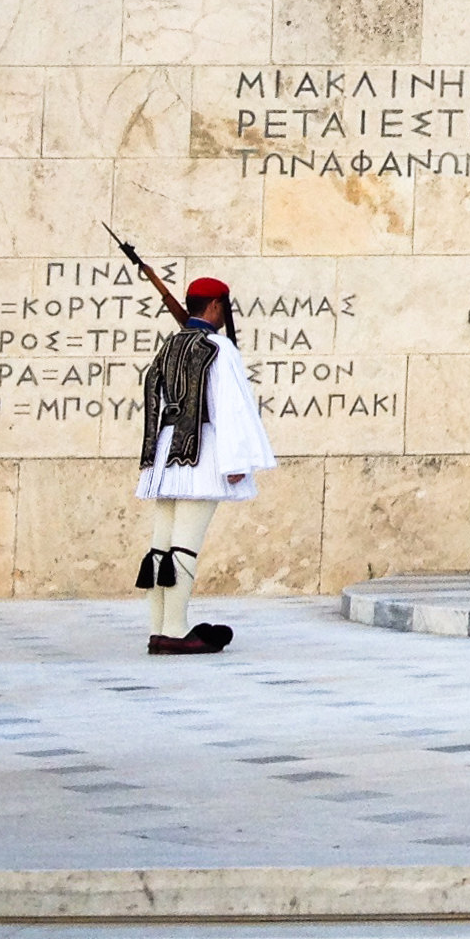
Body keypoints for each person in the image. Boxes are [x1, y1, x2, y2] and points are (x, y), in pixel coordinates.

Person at [133, 277, 275, 657]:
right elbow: (228, 407)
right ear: (214, 306)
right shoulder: (217, 348)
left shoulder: (171, 345)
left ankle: (158, 629)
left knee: (160, 547)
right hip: (202, 454)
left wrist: (152, 457)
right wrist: (235, 461)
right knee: (183, 547)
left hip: (166, 456)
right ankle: (176, 631)